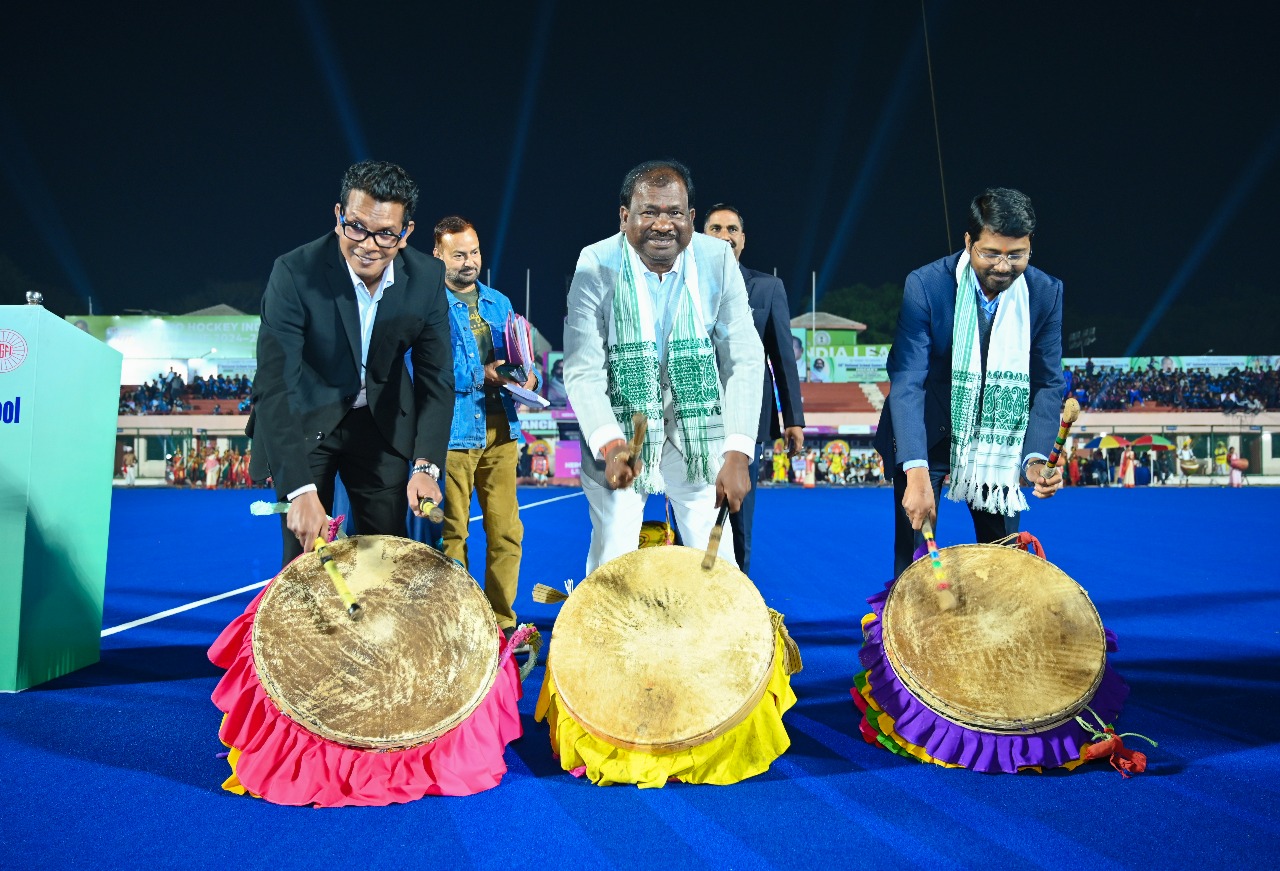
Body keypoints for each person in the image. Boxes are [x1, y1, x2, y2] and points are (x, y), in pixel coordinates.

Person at [248, 160, 453, 567]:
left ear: (406, 232)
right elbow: (275, 386)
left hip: (381, 423)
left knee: (383, 558)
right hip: (307, 413)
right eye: (356, 226)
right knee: (305, 561)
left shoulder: (428, 277)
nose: (368, 244)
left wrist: (427, 464)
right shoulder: (293, 273)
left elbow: (436, 378)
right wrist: (298, 490)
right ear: (339, 215)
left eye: (386, 234)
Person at [562, 160, 764, 574]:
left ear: (691, 218)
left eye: (674, 213)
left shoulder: (717, 261)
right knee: (614, 554)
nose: (662, 225)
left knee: (718, 557)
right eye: (649, 212)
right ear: (624, 218)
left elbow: (744, 356)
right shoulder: (595, 263)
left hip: (694, 428)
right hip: (622, 431)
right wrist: (609, 443)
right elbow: (583, 367)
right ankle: (606, 636)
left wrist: (738, 451)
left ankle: (720, 638)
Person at [873, 188, 1065, 578]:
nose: (1004, 266)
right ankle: (905, 634)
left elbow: (1048, 382)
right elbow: (908, 379)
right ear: (968, 242)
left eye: (1017, 255)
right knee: (916, 564)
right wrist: (915, 470)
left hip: (999, 441)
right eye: (991, 253)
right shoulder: (926, 285)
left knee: (1004, 566)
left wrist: (1035, 458)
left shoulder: (1045, 293)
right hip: (929, 433)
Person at [434, 216, 538, 639]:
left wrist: (526, 377)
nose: (468, 261)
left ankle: (500, 625)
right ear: (437, 254)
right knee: (452, 534)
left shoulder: (499, 302)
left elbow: (520, 355)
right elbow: (427, 369)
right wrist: (483, 374)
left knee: (507, 532)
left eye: (474, 252)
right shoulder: (428, 305)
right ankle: (457, 627)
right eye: (458, 254)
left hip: (502, 434)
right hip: (454, 435)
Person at [702, 204, 805, 574]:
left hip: (746, 419)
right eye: (715, 228)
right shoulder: (680, 283)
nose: (725, 235)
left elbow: (782, 357)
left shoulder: (767, 288)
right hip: (689, 415)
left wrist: (793, 418)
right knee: (692, 511)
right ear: (701, 236)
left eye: (732, 229)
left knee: (738, 512)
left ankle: (740, 595)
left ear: (742, 240)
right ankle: (690, 594)